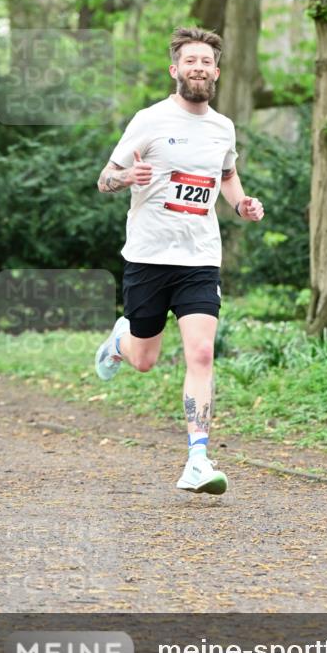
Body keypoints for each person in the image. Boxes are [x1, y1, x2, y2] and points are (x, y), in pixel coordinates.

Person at [94, 27, 264, 495]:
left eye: (206, 61)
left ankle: (198, 458)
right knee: (145, 360)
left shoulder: (222, 127)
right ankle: (119, 341)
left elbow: (227, 174)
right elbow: (104, 179)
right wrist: (127, 175)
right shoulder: (149, 120)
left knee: (202, 353)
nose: (199, 68)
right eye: (190, 61)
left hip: (200, 259)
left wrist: (242, 203)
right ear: (175, 70)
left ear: (216, 72)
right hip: (149, 258)